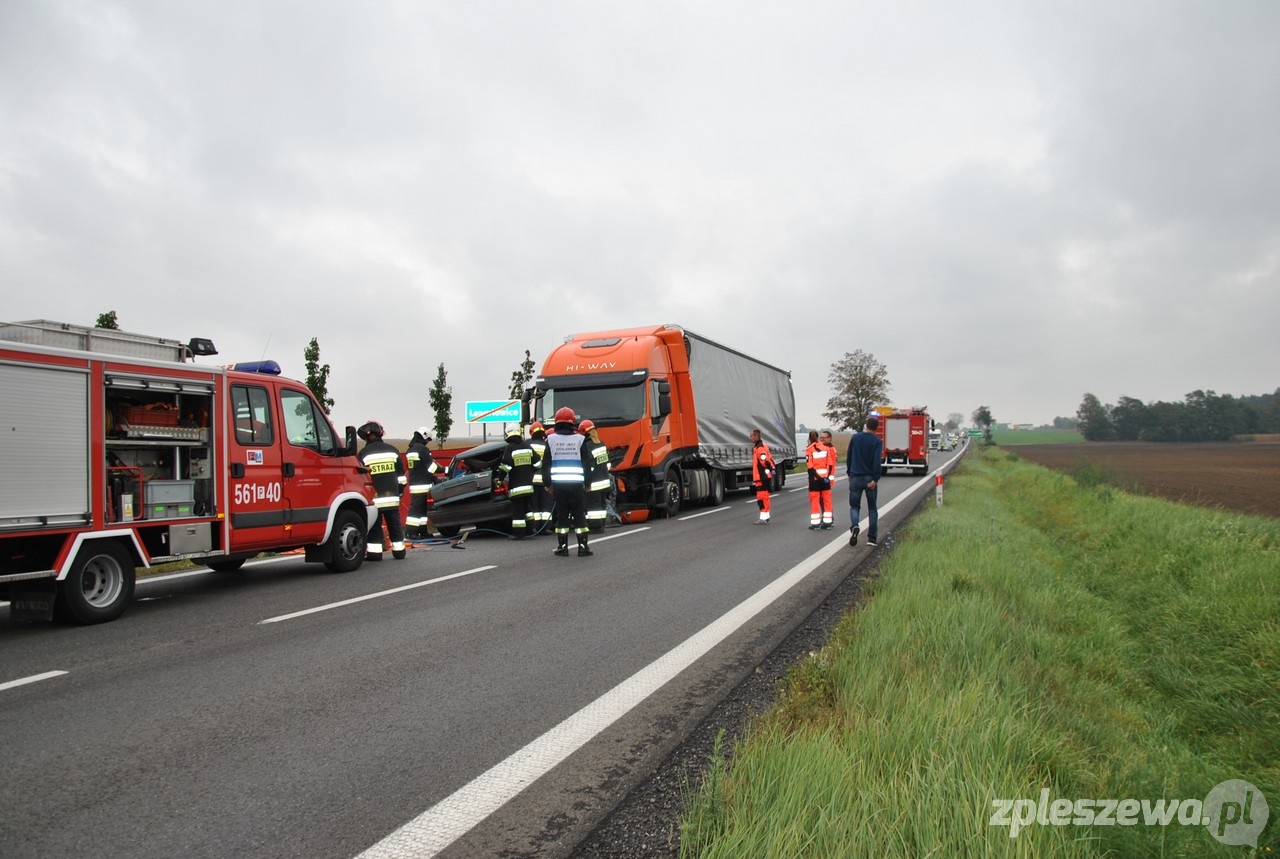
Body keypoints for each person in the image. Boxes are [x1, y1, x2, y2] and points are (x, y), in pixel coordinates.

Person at [544, 406, 595, 556]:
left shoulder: (550, 439)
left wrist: (547, 484)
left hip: (559, 486)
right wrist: (588, 484)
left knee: (562, 516)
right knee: (579, 515)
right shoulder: (580, 439)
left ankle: (563, 547)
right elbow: (587, 464)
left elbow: (546, 464)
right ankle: (583, 547)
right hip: (576, 485)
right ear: (573, 422)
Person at [357, 420, 407, 560]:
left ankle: (375, 554)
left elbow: (361, 477)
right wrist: (400, 490)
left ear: (366, 437)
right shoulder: (393, 450)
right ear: (380, 433)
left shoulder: (363, 454)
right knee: (394, 525)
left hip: (374, 499)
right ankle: (399, 552)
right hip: (392, 497)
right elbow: (401, 476)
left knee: (374, 526)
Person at [846, 415, 883, 547]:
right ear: (876, 428)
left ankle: (855, 526)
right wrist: (876, 478)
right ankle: (871, 538)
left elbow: (849, 456)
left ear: (866, 425)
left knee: (854, 506)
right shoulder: (877, 441)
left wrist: (849, 473)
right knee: (872, 508)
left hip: (855, 477)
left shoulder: (855, 438)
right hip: (869, 478)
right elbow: (877, 462)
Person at [498, 425, 540, 539]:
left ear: (508, 434)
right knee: (528, 509)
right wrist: (528, 470)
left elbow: (505, 467)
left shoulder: (510, 448)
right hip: (528, 486)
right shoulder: (527, 446)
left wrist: (499, 479)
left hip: (517, 487)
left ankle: (519, 534)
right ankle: (532, 530)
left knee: (518, 512)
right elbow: (538, 464)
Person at [404, 426, 441, 542]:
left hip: (415, 483)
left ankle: (422, 531)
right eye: (428, 440)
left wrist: (431, 477)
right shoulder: (422, 449)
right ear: (424, 436)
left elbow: (419, 468)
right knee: (416, 510)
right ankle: (411, 532)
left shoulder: (411, 449)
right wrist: (445, 470)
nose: (427, 443)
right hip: (422, 485)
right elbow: (431, 467)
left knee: (421, 510)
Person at [579, 419, 611, 532]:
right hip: (605, 481)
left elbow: (589, 467)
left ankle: (595, 526)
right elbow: (608, 464)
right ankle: (601, 525)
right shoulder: (601, 444)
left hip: (594, 483)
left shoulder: (588, 445)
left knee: (593, 507)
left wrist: (586, 481)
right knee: (602, 505)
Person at [805, 428, 837, 530]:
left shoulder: (809, 449)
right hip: (825, 480)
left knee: (815, 501)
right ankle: (828, 523)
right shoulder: (825, 448)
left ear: (809, 438)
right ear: (818, 437)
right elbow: (831, 464)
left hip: (815, 480)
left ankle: (815, 524)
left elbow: (810, 467)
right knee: (826, 500)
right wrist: (826, 477)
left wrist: (817, 477)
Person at [527, 421, 551, 535]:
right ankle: (545, 528)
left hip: (532, 480)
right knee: (546, 505)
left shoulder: (528, 444)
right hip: (545, 480)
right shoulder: (547, 445)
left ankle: (535, 527)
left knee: (534, 505)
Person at [750, 428, 776, 524]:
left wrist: (771, 468)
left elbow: (764, 461)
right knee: (765, 497)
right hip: (763, 476)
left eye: (751, 436)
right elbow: (769, 459)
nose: (750, 438)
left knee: (762, 498)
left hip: (761, 476)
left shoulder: (760, 448)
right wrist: (772, 469)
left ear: (756, 436)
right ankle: (766, 516)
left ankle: (763, 517)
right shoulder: (762, 446)